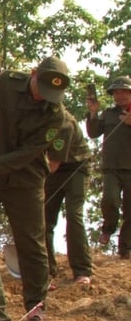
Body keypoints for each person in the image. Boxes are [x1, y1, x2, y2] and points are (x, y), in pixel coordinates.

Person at [0, 57, 68, 318]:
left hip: (26, 179)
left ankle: (36, 305)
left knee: (31, 242)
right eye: (41, 90)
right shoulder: (8, 83)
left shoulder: (57, 116)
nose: (43, 98)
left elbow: (26, 154)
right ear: (33, 74)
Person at [44, 110, 93, 285]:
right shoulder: (30, 118)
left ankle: (82, 270)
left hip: (76, 167)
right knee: (43, 217)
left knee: (74, 214)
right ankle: (46, 269)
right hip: (53, 168)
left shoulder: (64, 121)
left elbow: (52, 165)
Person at [86, 76, 131, 258]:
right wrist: (93, 113)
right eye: (116, 93)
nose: (119, 96)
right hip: (112, 167)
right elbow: (93, 133)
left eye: (123, 92)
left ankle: (125, 249)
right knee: (110, 200)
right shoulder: (109, 113)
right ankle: (108, 227)